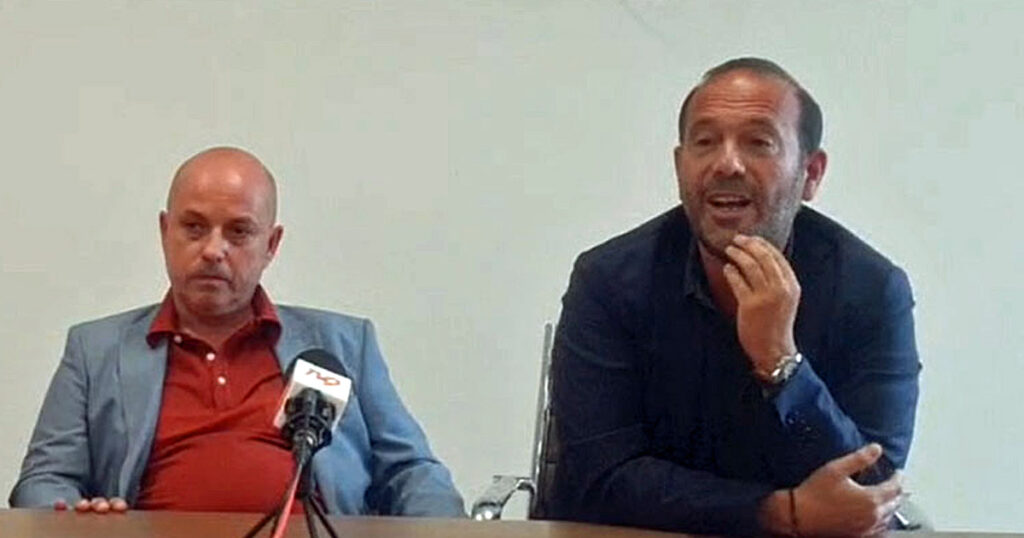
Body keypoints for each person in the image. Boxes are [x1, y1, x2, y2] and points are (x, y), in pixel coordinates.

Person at [549, 58, 919, 536]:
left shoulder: (872, 290)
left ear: (810, 173)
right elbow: (598, 479)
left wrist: (782, 365)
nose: (727, 164)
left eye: (758, 143)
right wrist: (780, 512)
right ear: (680, 166)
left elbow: (871, 488)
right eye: (705, 142)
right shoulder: (608, 282)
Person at [9, 147, 465, 517]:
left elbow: (412, 472)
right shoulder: (96, 350)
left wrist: (443, 530)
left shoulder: (342, 344)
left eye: (239, 232)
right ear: (165, 232)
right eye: (194, 227)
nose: (213, 250)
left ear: (271, 245)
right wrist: (76, 516)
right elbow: (43, 481)